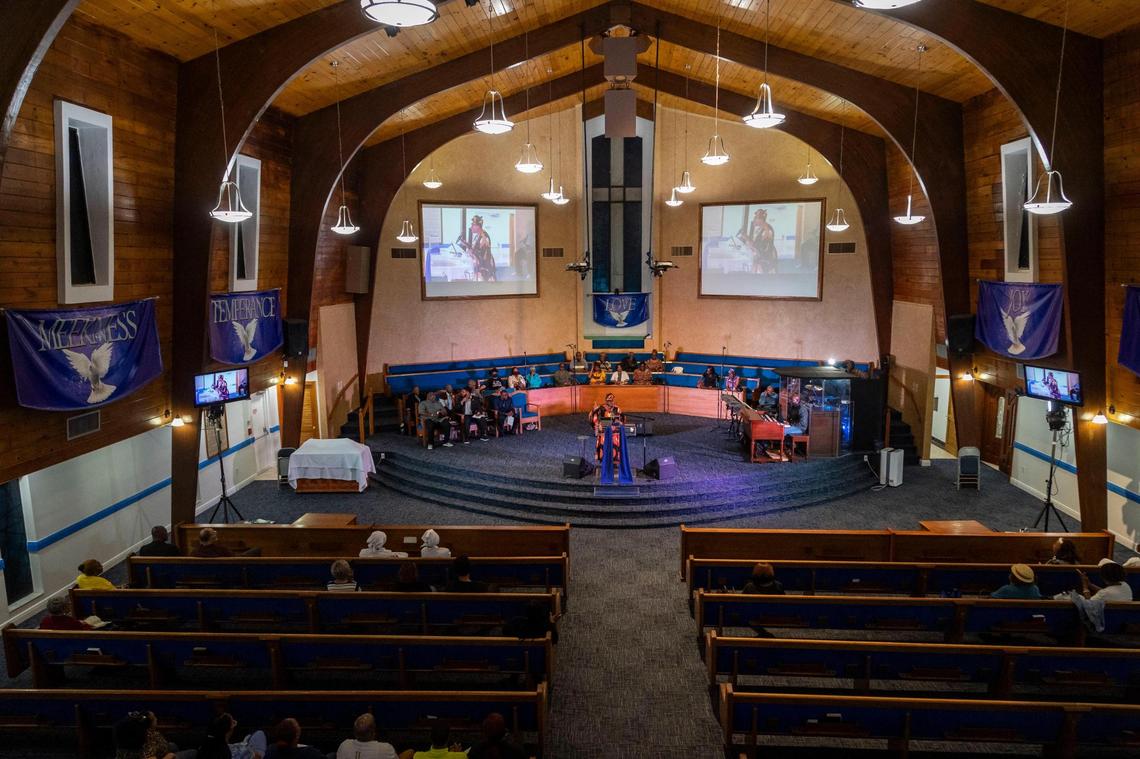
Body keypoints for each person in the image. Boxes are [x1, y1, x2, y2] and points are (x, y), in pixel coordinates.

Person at [197, 713, 267, 759]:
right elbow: (258, 757)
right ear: (229, 730)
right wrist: (246, 749)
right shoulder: (238, 751)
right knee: (259, 734)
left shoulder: (202, 748)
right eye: (233, 723)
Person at [588, 393, 624, 465]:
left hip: (614, 433)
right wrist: (597, 424)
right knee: (604, 447)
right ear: (606, 400)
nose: (610, 402)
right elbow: (593, 417)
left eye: (612, 400)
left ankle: (614, 462)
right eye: (609, 401)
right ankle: (604, 461)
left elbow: (622, 419)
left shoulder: (617, 409)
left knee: (614, 448)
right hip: (604, 432)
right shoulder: (601, 408)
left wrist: (620, 422)